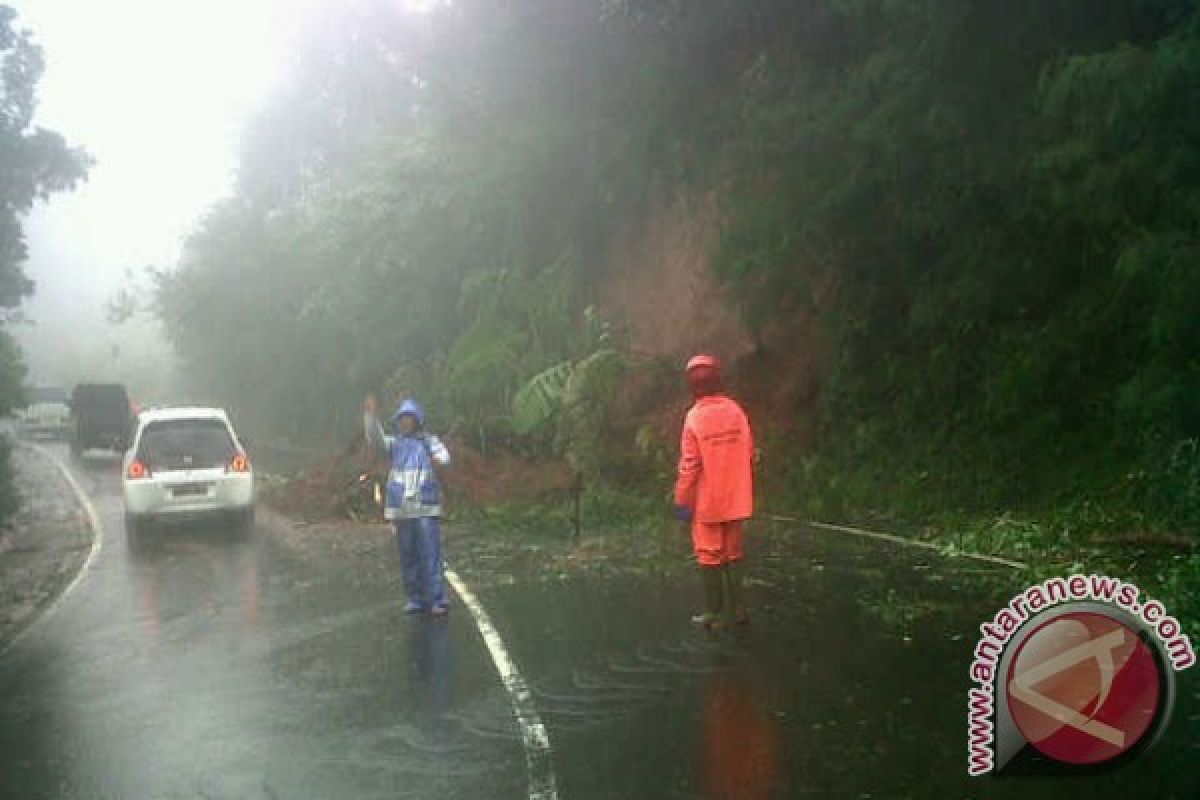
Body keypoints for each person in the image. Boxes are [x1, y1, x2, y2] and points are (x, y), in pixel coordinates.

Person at [674, 354, 754, 629]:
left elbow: (689, 466)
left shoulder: (694, 418)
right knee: (734, 553)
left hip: (708, 503)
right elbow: (749, 451)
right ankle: (740, 610)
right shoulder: (736, 411)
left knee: (709, 554)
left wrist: (682, 503)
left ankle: (715, 613)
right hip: (737, 499)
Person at [363, 393, 452, 615]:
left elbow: (445, 457)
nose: (404, 422)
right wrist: (371, 416)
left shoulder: (428, 441)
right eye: (401, 419)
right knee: (408, 554)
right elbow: (375, 438)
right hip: (401, 508)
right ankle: (416, 597)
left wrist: (439, 460)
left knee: (430, 552)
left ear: (416, 420)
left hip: (424, 505)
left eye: (408, 418)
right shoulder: (395, 444)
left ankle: (437, 599)